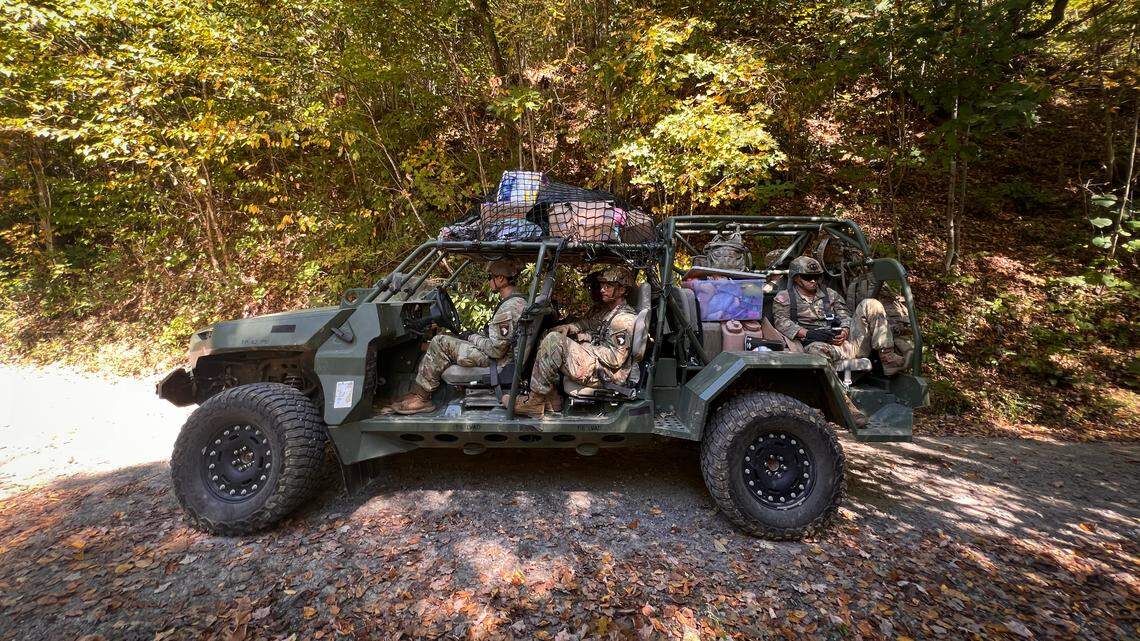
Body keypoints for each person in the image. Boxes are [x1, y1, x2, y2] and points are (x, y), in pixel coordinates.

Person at [771, 257, 907, 425]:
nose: (813, 280)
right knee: (815, 351)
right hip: (816, 346)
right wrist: (808, 334)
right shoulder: (785, 298)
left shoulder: (830, 295)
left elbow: (845, 316)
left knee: (870, 304)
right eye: (807, 277)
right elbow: (782, 323)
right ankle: (846, 405)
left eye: (817, 276)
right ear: (797, 278)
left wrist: (845, 330)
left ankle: (887, 356)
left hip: (845, 344)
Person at [389, 260, 527, 415]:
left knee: (439, 341)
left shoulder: (509, 308)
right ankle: (418, 392)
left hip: (498, 361)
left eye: (490, 277)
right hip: (500, 356)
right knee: (450, 338)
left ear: (501, 279)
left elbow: (495, 350)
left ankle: (422, 398)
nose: (488, 281)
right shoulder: (517, 301)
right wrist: (471, 336)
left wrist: (472, 337)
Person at [513, 266, 638, 418]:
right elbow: (588, 324)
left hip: (606, 373)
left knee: (555, 341)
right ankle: (552, 396)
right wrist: (568, 327)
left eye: (608, 286)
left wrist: (585, 346)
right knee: (553, 333)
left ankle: (535, 402)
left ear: (622, 290)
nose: (602, 290)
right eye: (602, 285)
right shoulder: (608, 311)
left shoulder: (624, 320)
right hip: (597, 363)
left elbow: (614, 359)